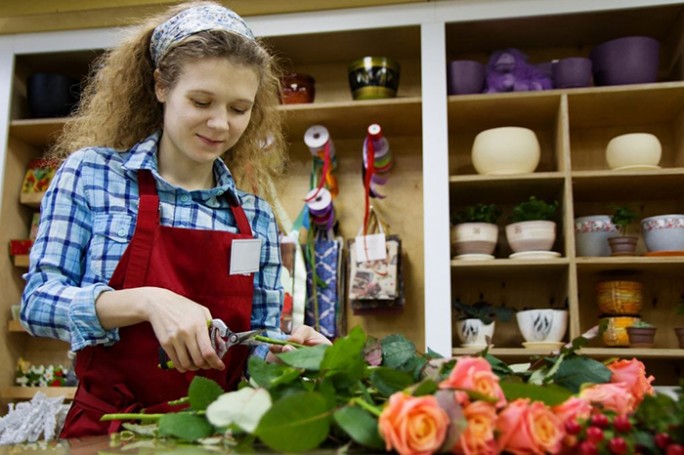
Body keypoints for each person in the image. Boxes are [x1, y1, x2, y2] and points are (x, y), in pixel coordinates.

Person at [19, 0, 329, 438]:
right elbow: (37, 303)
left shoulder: (253, 214)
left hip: (218, 436)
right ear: (161, 86)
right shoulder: (92, 175)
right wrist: (146, 301)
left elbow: (256, 344)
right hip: (107, 432)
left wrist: (286, 356)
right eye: (201, 101)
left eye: (239, 109)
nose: (220, 124)